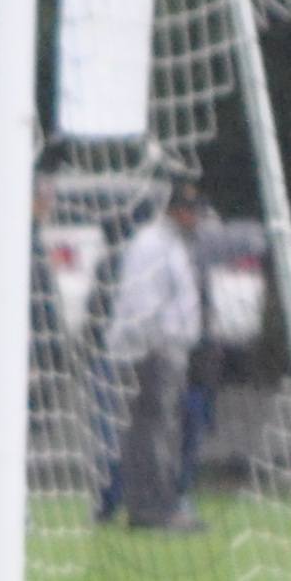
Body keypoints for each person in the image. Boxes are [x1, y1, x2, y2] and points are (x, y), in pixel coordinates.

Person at [108, 184, 211, 531]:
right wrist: (155, 344)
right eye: (192, 212)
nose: (197, 220)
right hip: (151, 352)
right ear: (177, 212)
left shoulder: (170, 244)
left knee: (160, 431)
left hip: (166, 351)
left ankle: (157, 506)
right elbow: (142, 300)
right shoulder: (153, 244)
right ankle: (152, 510)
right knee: (152, 432)